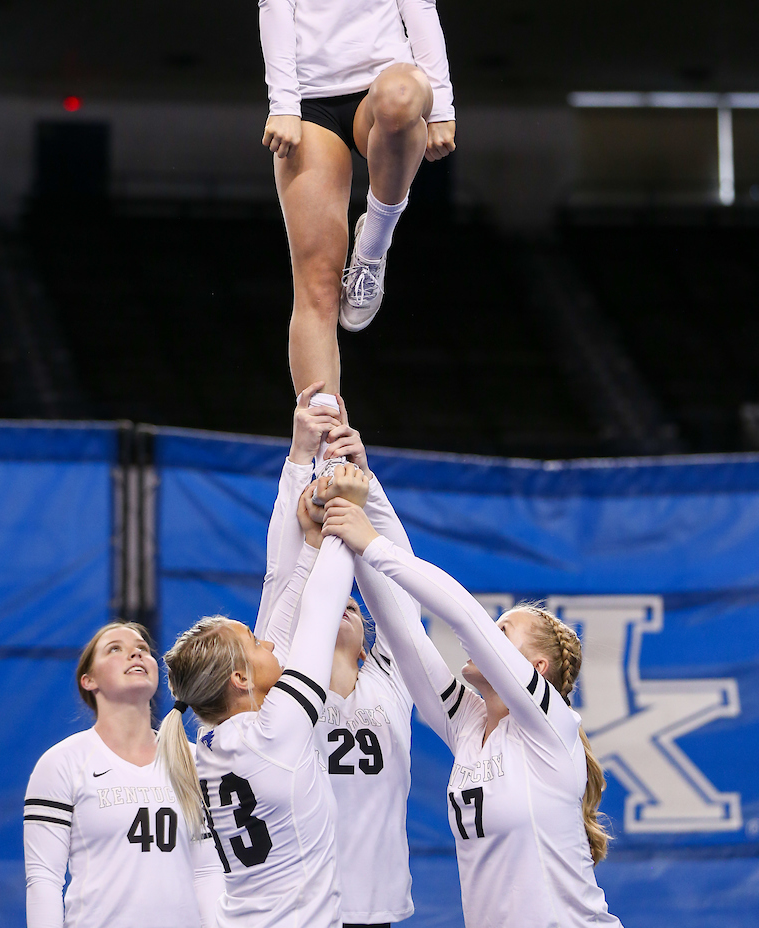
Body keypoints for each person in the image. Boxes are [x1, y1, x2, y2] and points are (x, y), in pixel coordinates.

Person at [241, 0, 456, 400]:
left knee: (401, 95)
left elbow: (419, 0)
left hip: (380, 78)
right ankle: (321, 428)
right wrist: (282, 101)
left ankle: (378, 239)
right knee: (313, 282)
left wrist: (440, 103)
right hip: (310, 98)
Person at [321, 500, 624, 928]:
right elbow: (403, 630)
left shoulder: (550, 727)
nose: (488, 639)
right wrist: (367, 492)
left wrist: (372, 545)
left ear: (537, 669)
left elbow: (463, 615)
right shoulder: (469, 726)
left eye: (502, 632)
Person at [253, 386, 420, 928]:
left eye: (354, 600)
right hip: (300, 908)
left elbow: (402, 583)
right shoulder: (280, 683)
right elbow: (284, 574)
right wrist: (301, 456)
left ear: (371, 638)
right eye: (334, 598)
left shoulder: (392, 682)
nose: (344, 602)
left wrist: (364, 484)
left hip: (374, 909)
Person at [156, 500, 356, 928]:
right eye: (254, 641)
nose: (268, 644)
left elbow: (281, 632)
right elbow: (320, 611)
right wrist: (344, 517)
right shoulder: (274, 731)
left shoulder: (214, 742)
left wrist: (312, 544)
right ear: (240, 679)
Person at [23, 622, 223, 928]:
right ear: (88, 680)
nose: (136, 654)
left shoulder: (195, 760)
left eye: (143, 649)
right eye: (115, 649)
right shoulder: (62, 763)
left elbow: (208, 872)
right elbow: (44, 879)